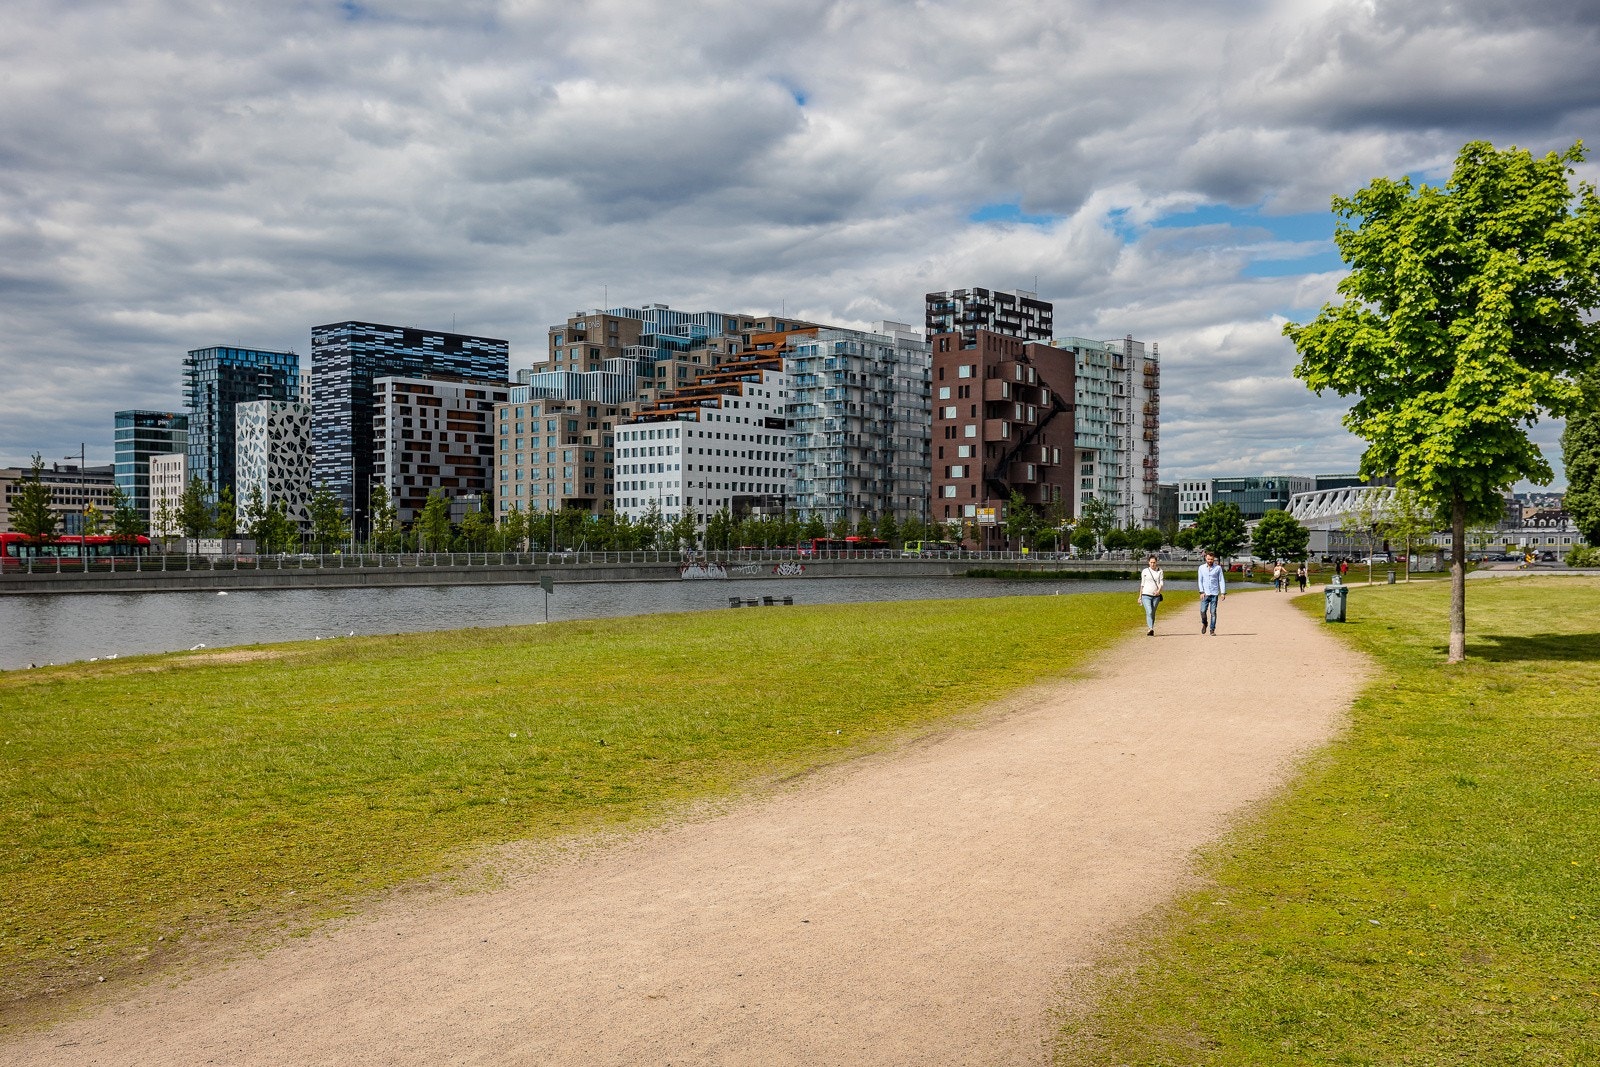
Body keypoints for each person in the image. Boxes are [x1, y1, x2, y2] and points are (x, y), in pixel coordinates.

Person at [1197, 550, 1227, 635]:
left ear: (1214, 559)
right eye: (1208, 559)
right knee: (1203, 611)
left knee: (1213, 612)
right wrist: (1201, 592)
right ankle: (1205, 623)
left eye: (1211, 559)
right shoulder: (1201, 568)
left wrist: (1223, 593)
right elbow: (1200, 581)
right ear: (1205, 558)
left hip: (1214, 593)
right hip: (1205, 594)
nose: (1210, 561)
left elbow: (1221, 580)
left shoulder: (1218, 568)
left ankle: (1212, 629)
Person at [1138, 554, 1165, 636]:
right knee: (1149, 611)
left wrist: (1158, 591)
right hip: (1146, 595)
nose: (1153, 564)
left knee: (1152, 612)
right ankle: (1150, 628)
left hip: (1156, 596)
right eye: (1151, 562)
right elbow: (1142, 584)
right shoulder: (1145, 571)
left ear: (1156, 562)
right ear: (1148, 563)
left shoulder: (1160, 571)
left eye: (1154, 562)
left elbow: (1161, 582)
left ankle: (1151, 628)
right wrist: (1140, 596)